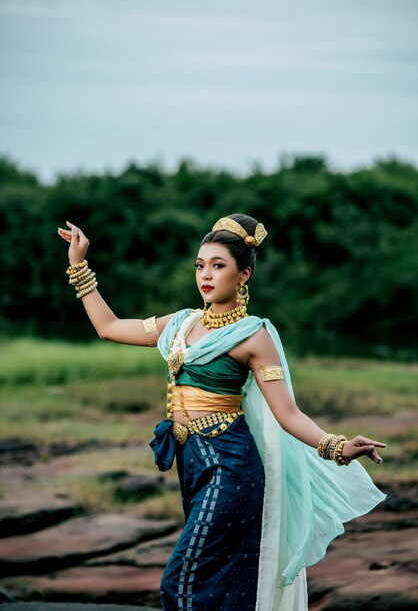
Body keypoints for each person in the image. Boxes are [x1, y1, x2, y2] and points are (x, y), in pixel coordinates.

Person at [57, 213, 386, 611]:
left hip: (230, 466)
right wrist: (79, 264)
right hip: (191, 461)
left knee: (180, 580)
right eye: (200, 265)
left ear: (243, 275)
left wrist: (338, 447)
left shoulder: (253, 336)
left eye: (218, 266)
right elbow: (109, 327)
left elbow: (288, 413)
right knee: (221, 581)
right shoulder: (180, 323)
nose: (206, 275)